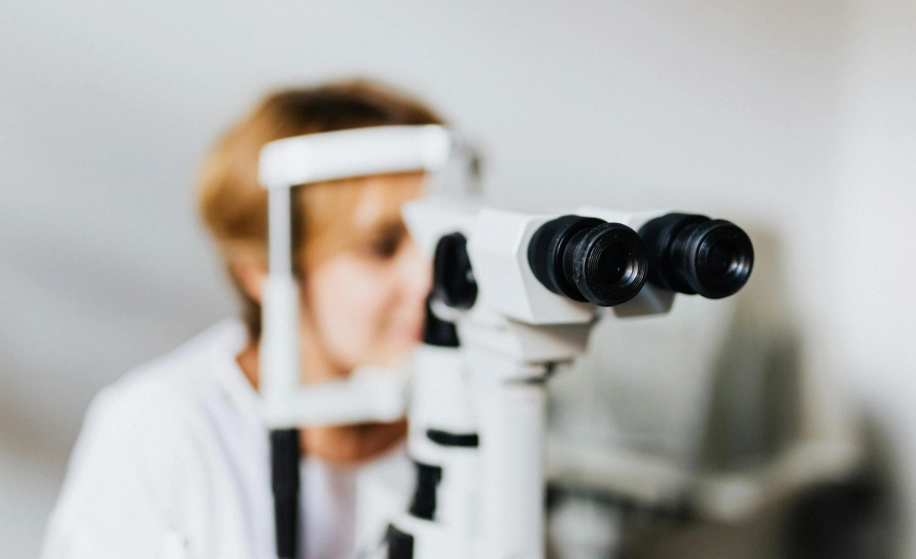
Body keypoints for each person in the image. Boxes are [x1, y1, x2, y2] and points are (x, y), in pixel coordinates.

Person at [41, 79, 444, 559]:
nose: (429, 278)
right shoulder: (165, 431)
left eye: (439, 239)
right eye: (382, 247)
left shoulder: (475, 419)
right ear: (264, 270)